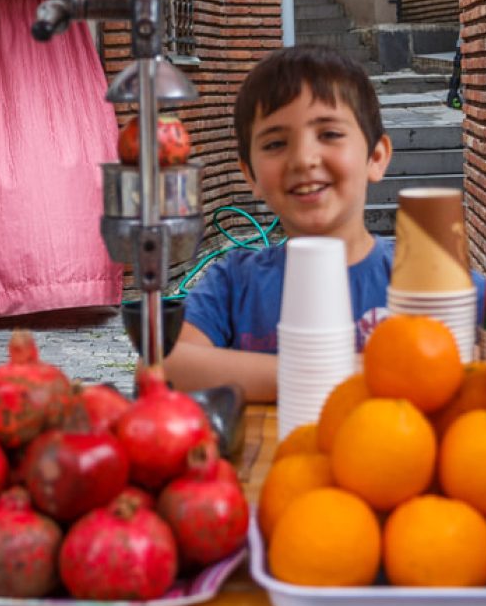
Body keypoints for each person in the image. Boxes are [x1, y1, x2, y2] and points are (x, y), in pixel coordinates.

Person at [163, 46, 393, 402]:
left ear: (375, 158)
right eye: (275, 143)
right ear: (249, 174)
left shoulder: (421, 275)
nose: (303, 159)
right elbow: (170, 367)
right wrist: (345, 373)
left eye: (329, 134)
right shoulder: (235, 283)